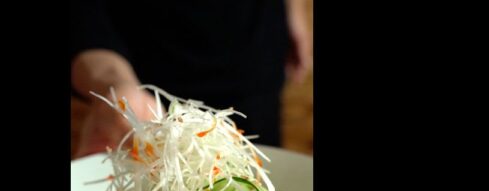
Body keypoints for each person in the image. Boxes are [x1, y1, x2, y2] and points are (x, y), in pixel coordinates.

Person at [70, 0, 312, 158]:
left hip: (252, 50)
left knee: (259, 169)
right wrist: (113, 82)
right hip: (144, 61)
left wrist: (296, 5)